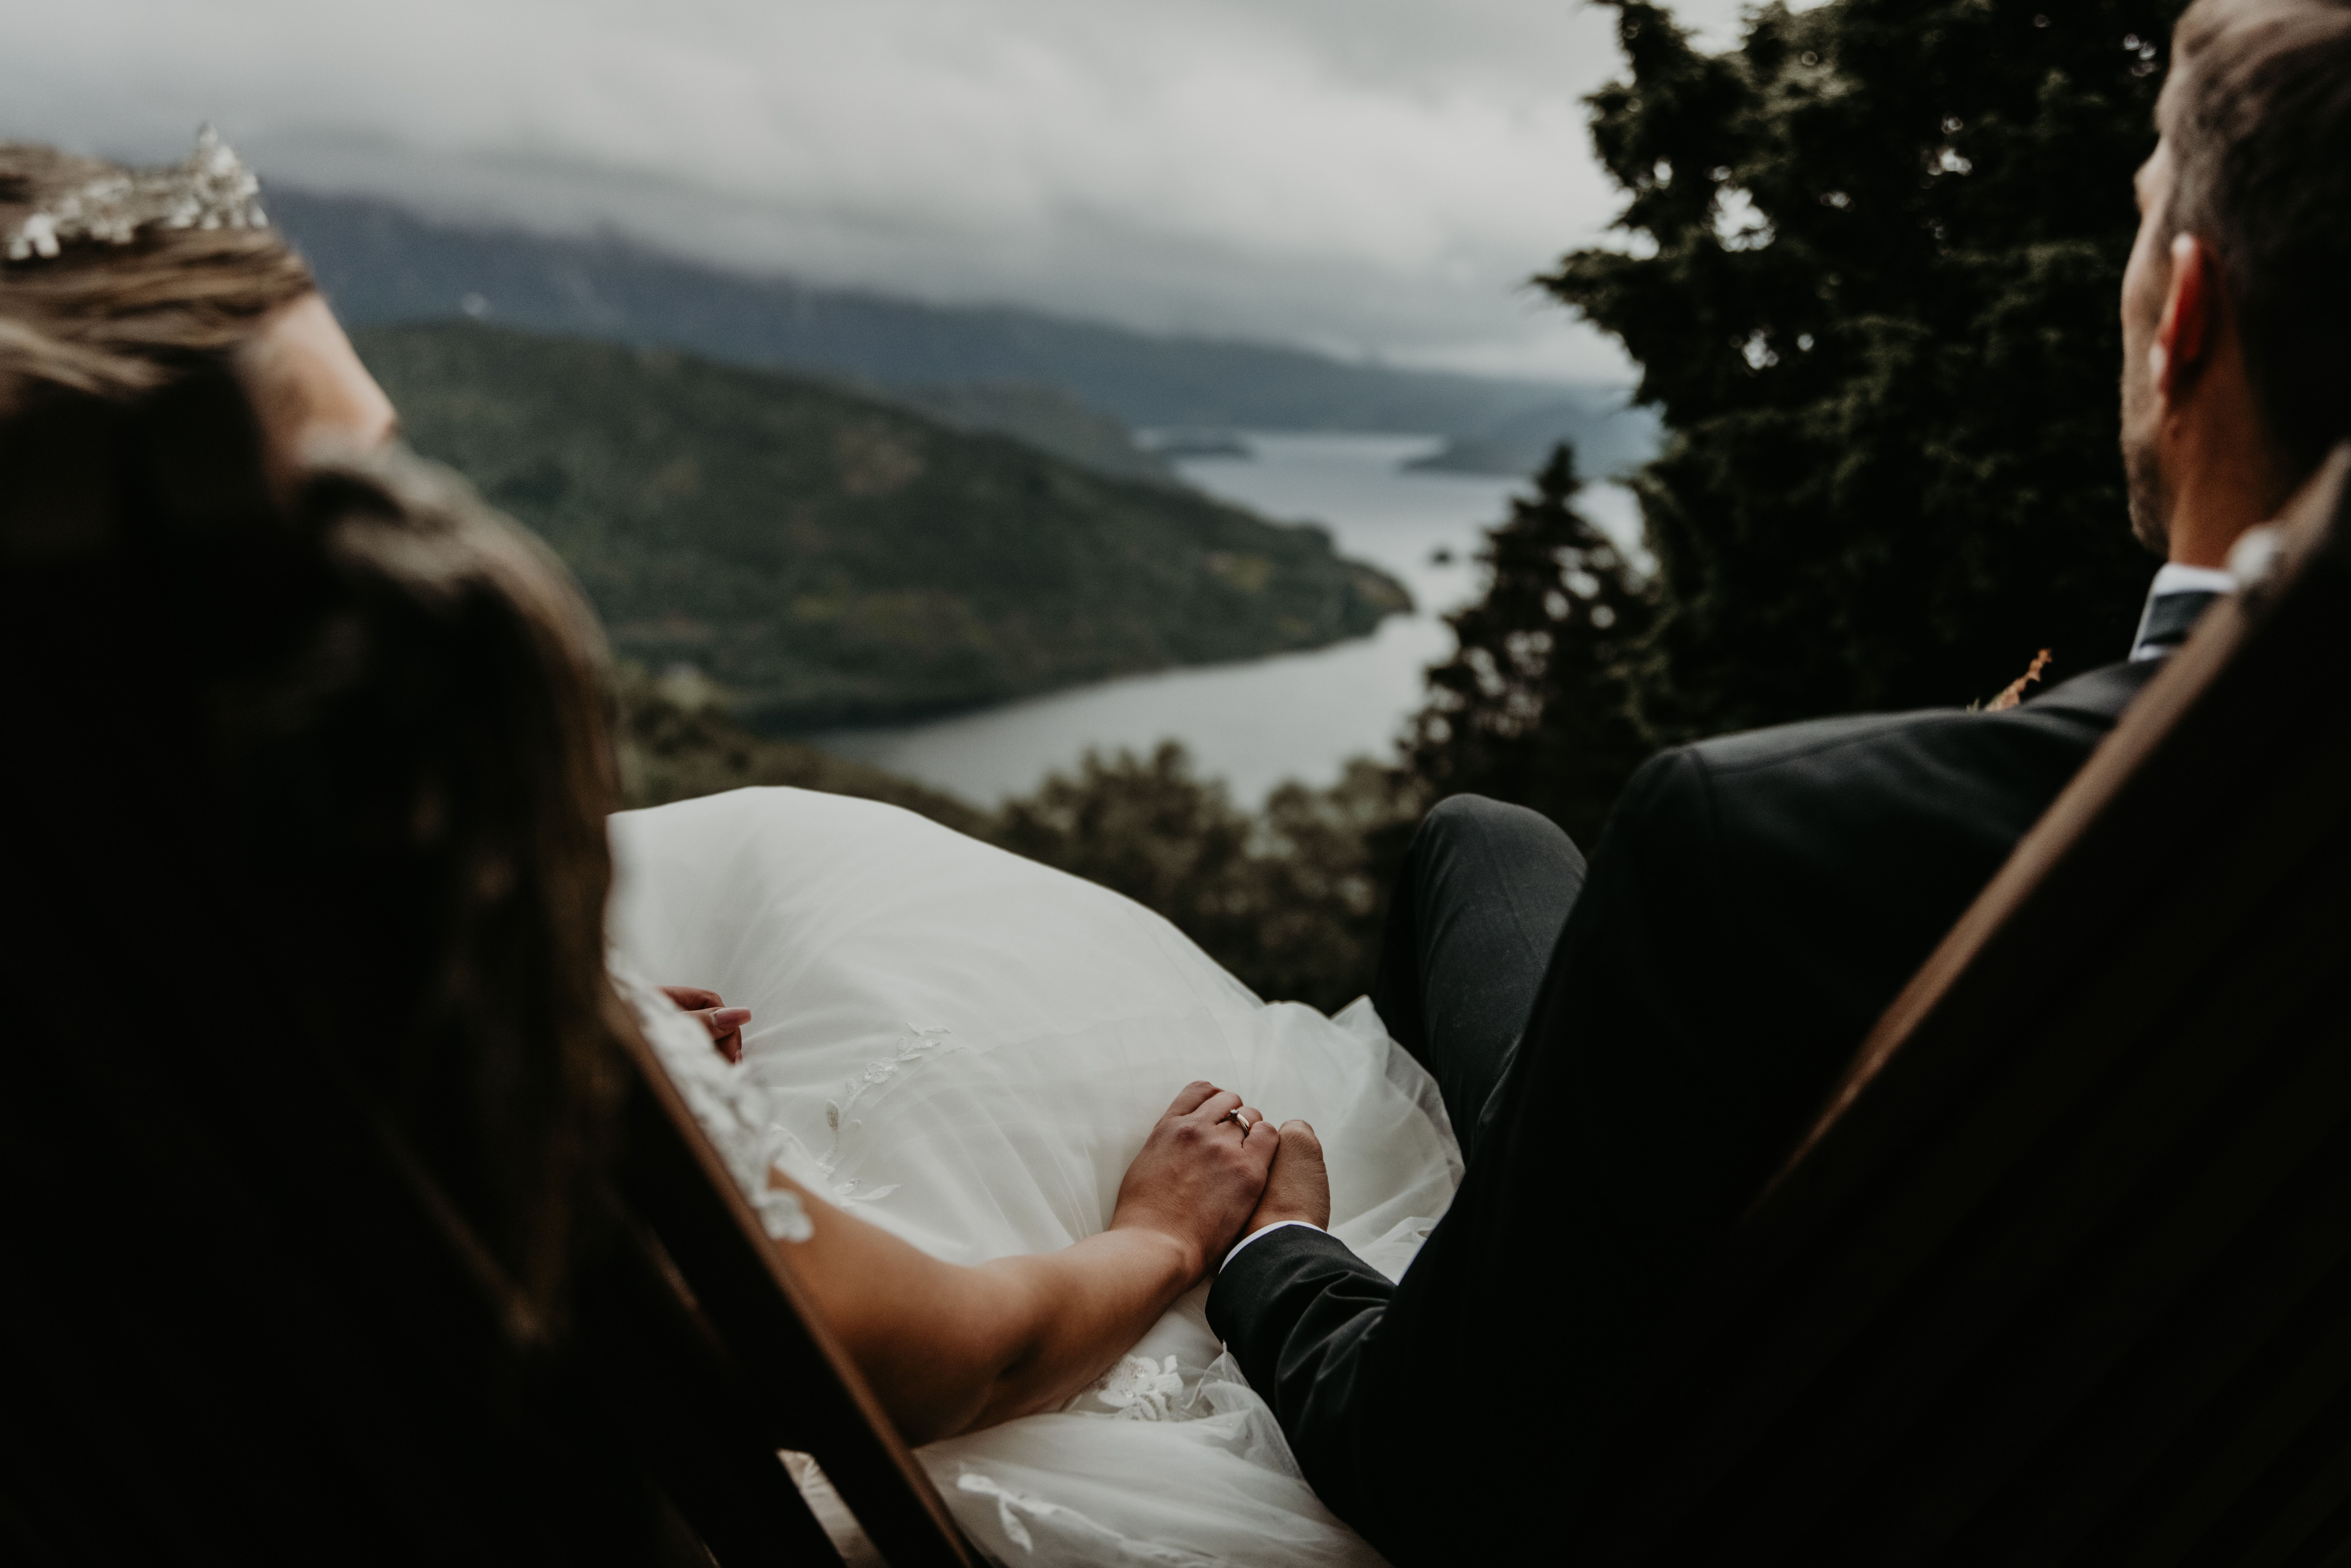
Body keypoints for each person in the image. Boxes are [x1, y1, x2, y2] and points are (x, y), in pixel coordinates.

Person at [0, 133, 1452, 1565]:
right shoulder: (432, 1102)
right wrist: (1166, 1237)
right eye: (360, 485)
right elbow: (965, 1361)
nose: (412, 515)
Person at [1202, 1, 2351, 1561]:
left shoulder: (1773, 852)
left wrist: (1272, 1251)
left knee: (1476, 847)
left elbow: (1443, 1471)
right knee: (1490, 845)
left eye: (2140, 223)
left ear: (2184, 312)